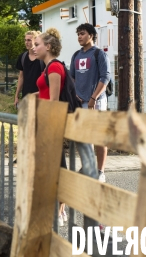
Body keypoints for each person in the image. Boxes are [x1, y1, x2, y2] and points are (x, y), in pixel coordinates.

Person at [32, 27, 69, 226]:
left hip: (51, 123)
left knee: (57, 168)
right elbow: (45, 93)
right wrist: (32, 98)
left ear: (48, 46)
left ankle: (60, 210)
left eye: (37, 44)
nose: (33, 47)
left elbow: (54, 100)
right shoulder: (47, 68)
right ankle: (57, 209)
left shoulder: (54, 67)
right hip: (44, 122)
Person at [70, 23, 111, 183]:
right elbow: (72, 78)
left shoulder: (99, 54)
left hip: (96, 102)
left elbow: (105, 78)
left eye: (82, 33)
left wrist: (94, 98)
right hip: (80, 103)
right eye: (78, 34)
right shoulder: (76, 55)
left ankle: (100, 171)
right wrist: (75, 94)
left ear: (91, 35)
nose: (79, 37)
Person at [14, 30, 43, 109]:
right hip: (25, 97)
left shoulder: (42, 58)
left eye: (29, 40)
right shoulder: (22, 57)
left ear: (35, 40)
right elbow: (21, 77)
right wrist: (16, 96)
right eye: (25, 40)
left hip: (39, 97)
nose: (26, 42)